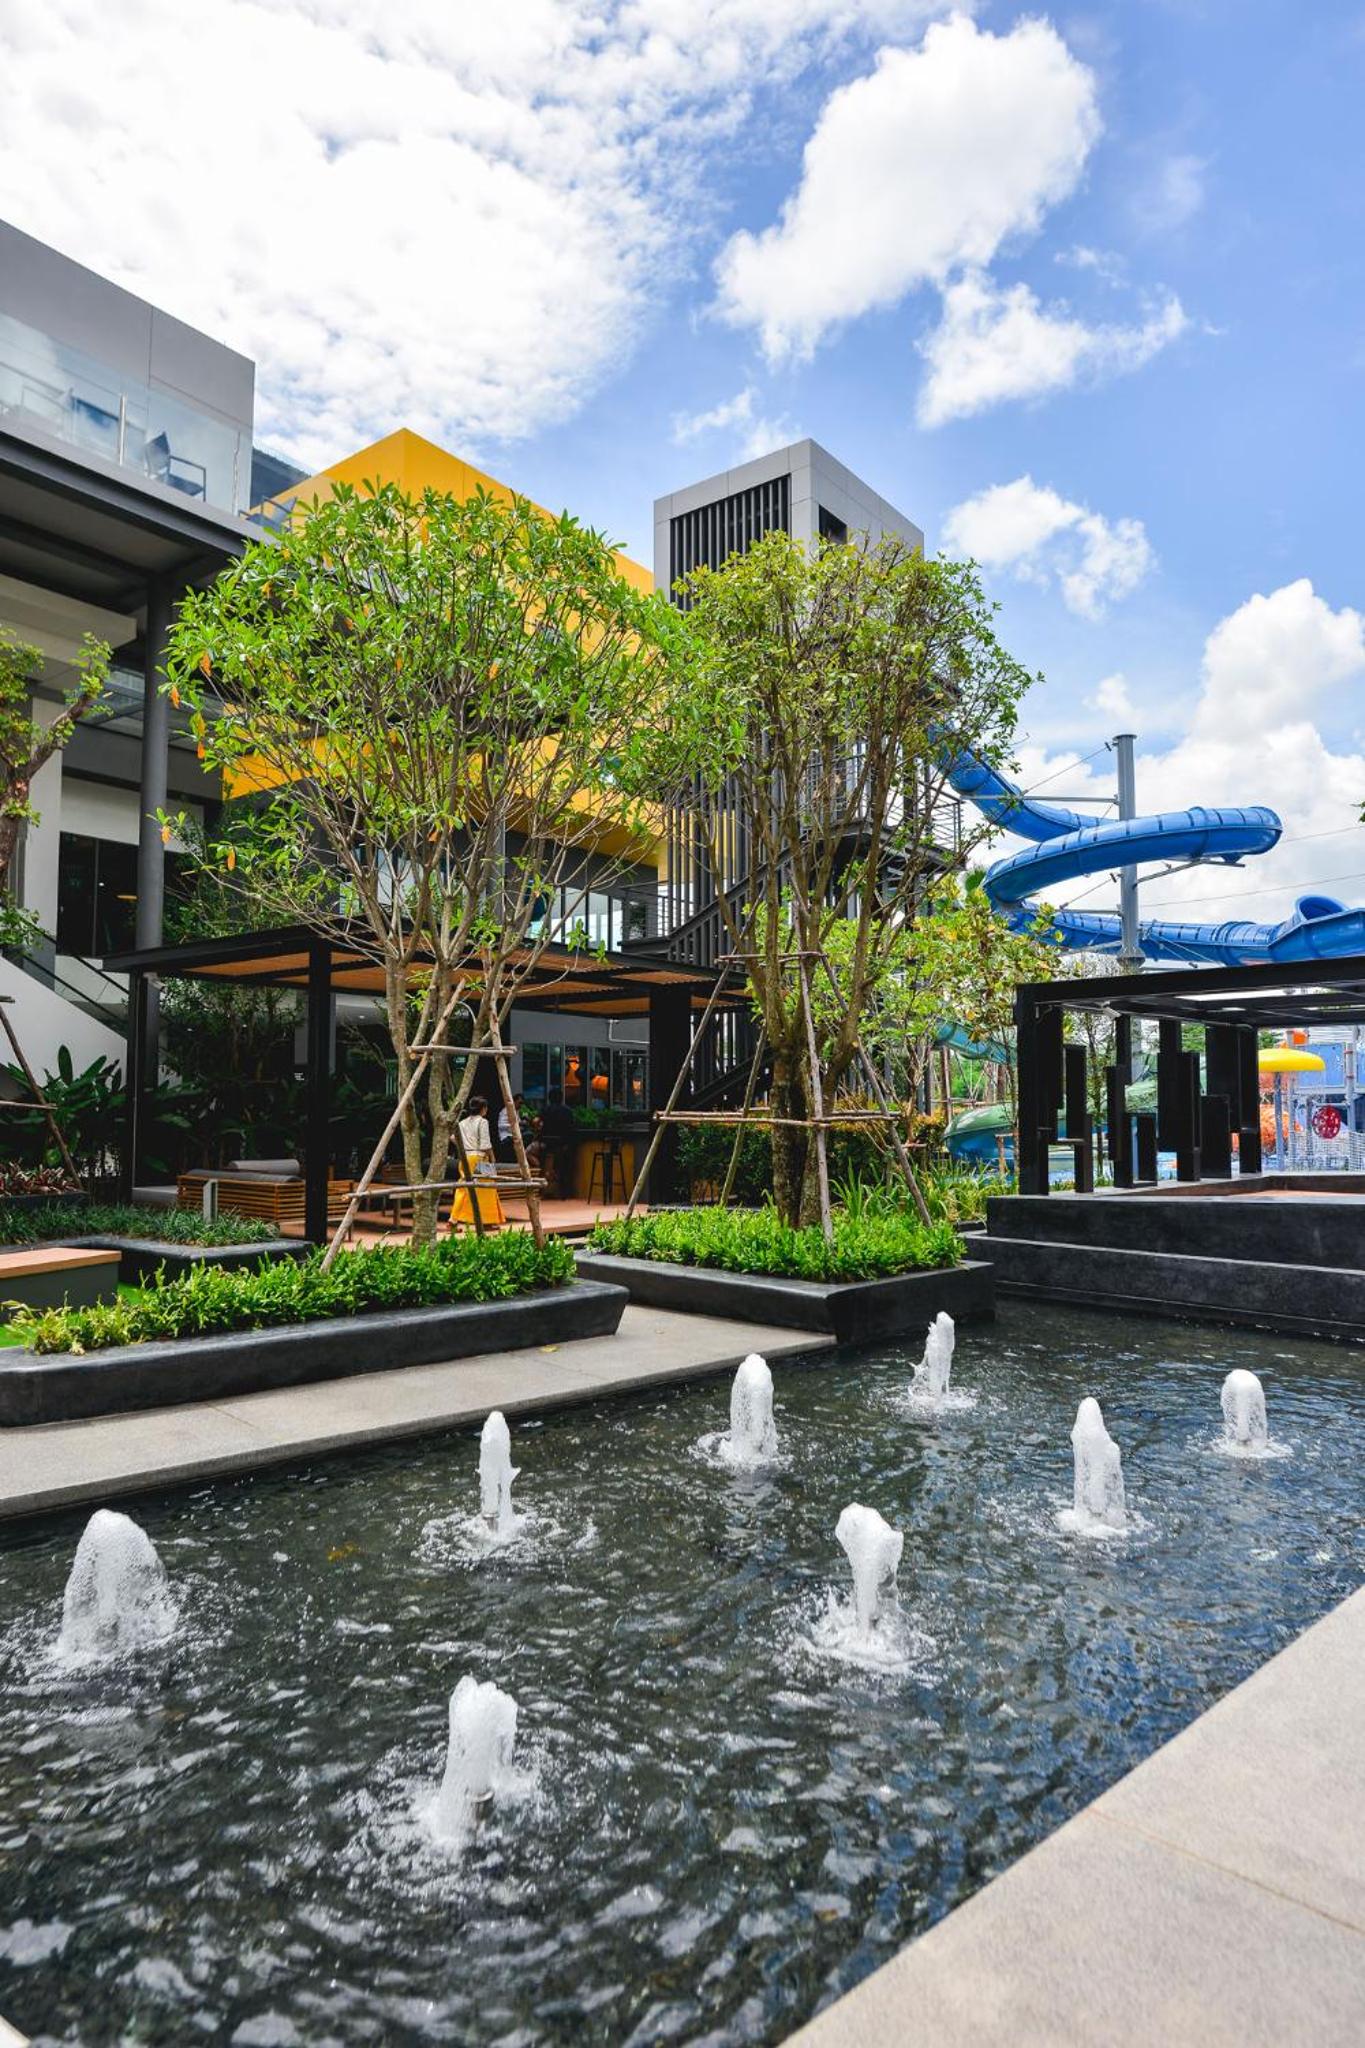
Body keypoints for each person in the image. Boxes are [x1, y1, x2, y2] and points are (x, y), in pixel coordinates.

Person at [458, 1097, 494, 1176]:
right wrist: (492, 1157)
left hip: (464, 1158)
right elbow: (485, 1145)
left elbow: (453, 1137)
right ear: (483, 1108)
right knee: (484, 1182)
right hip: (478, 1159)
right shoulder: (482, 1122)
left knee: (465, 1182)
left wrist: (464, 1144)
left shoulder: (462, 1123)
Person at [497, 1092, 525, 1164]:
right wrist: (515, 1125)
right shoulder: (505, 1111)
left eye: (522, 1103)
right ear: (514, 1101)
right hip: (506, 1136)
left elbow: (518, 1123)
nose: (521, 1105)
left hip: (515, 1136)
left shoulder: (517, 1111)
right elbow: (501, 1125)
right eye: (520, 1103)